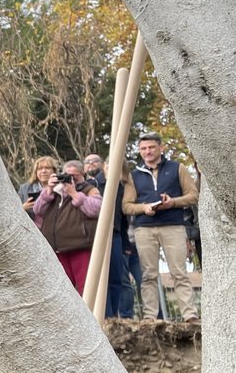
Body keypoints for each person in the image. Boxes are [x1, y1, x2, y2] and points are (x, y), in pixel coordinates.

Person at [122, 132, 200, 321]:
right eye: (143, 149)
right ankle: (150, 317)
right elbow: (126, 205)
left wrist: (173, 202)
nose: (147, 151)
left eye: (151, 147)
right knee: (148, 275)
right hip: (144, 229)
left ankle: (189, 315)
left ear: (161, 148)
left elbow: (193, 195)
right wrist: (144, 207)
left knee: (179, 272)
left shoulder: (177, 168)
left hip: (173, 226)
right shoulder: (134, 175)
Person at [33, 161, 102, 294]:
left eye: (74, 176)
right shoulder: (55, 192)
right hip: (58, 249)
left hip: (80, 246)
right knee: (64, 290)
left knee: (85, 287)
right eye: (67, 176)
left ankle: (89, 314)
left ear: (82, 174)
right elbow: (37, 210)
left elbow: (96, 210)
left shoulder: (89, 189)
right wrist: (48, 190)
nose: (70, 179)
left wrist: (74, 194)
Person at [84, 153, 136, 318]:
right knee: (99, 280)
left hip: (115, 236)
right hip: (95, 236)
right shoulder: (91, 185)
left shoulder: (121, 186)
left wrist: (126, 243)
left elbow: (122, 217)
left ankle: (116, 316)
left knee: (118, 278)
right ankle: (102, 316)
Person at [18, 156, 57, 226]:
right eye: (40, 169)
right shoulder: (25, 189)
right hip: (33, 230)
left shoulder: (61, 188)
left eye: (47, 168)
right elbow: (13, 211)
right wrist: (22, 208)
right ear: (35, 172)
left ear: (54, 170)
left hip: (55, 229)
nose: (43, 171)